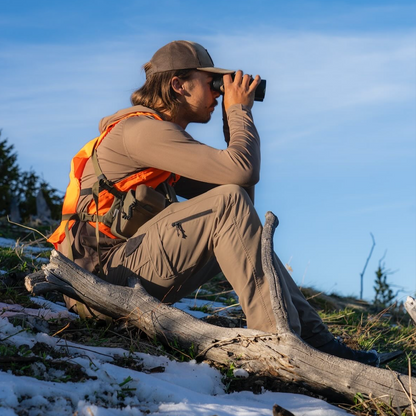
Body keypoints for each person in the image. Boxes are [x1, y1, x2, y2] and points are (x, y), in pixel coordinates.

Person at [49, 40, 378, 366]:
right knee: (228, 204)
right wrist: (238, 112)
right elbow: (239, 179)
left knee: (232, 209)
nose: (220, 93)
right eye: (211, 83)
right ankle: (279, 351)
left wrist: (230, 126)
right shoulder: (141, 131)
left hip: (118, 274)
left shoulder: (159, 136)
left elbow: (240, 200)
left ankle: (318, 343)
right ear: (178, 85)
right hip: (96, 288)